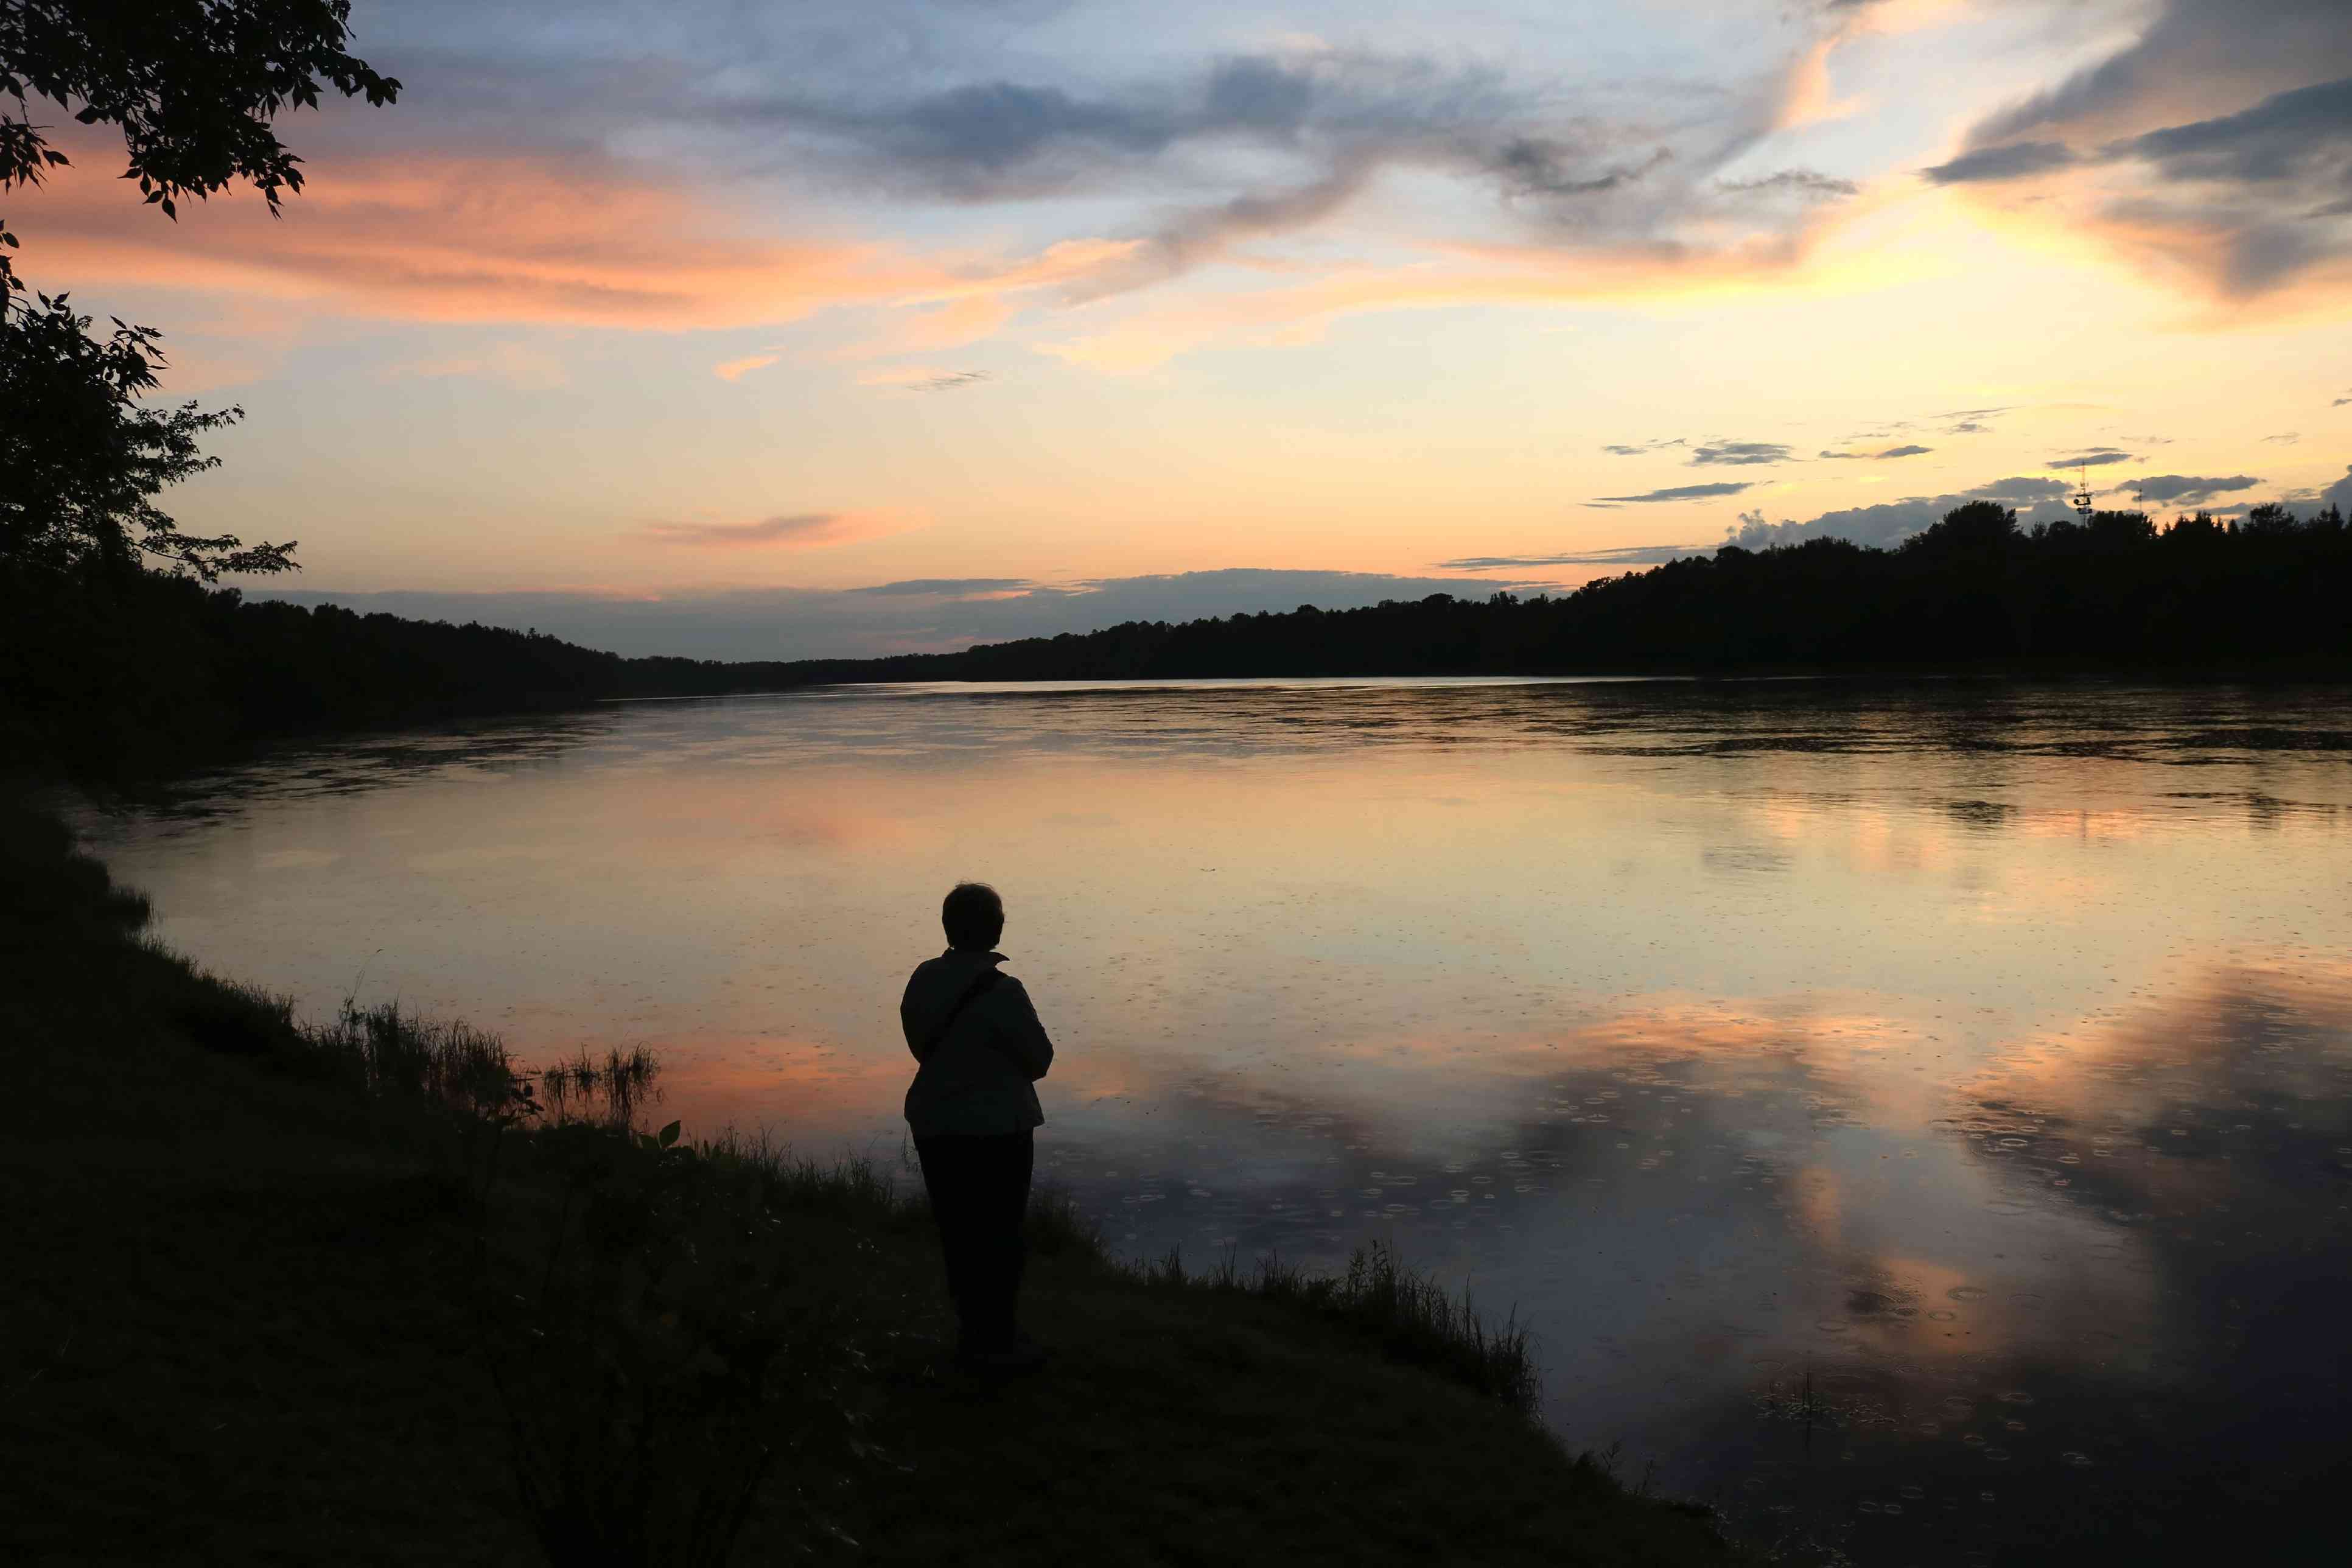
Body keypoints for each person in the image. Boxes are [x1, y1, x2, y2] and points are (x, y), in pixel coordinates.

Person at [901, 881, 1055, 1371]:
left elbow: (920, 1045)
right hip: (998, 1129)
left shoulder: (923, 979)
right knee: (1001, 1233)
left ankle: (973, 1335)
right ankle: (1000, 1341)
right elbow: (1040, 1060)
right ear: (996, 929)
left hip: (935, 1123)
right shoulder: (1005, 991)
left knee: (958, 1232)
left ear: (948, 926)